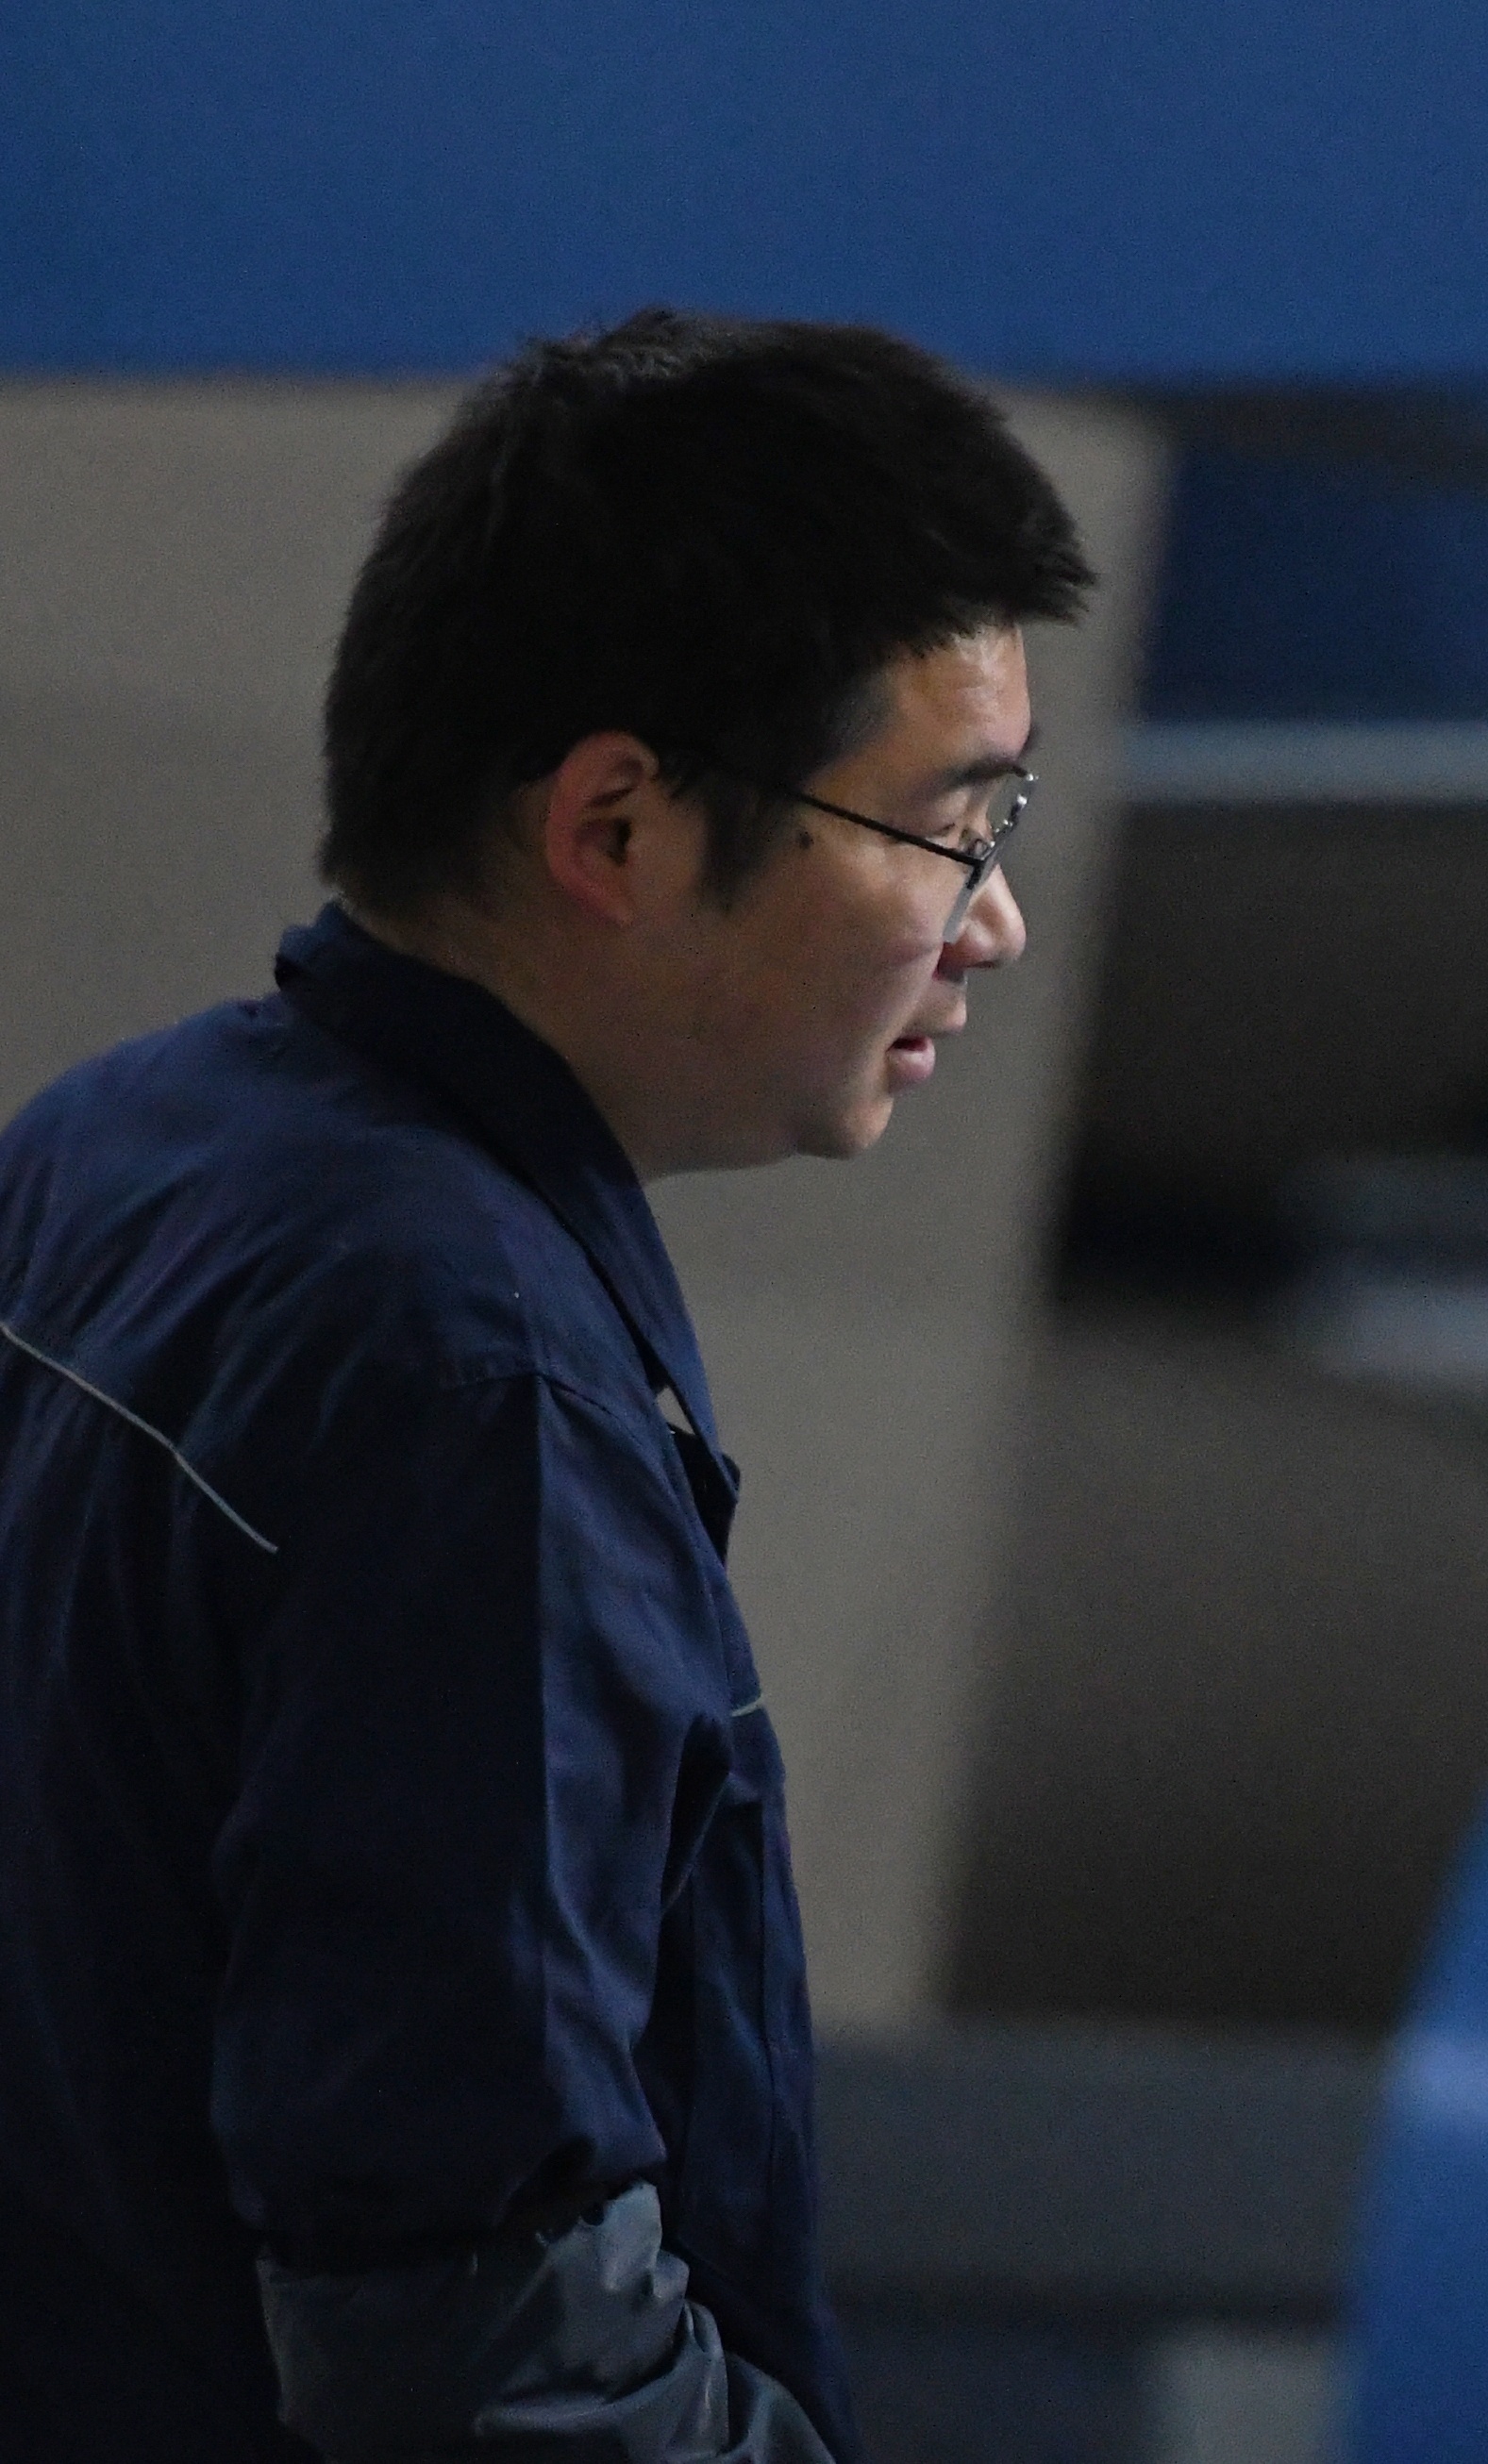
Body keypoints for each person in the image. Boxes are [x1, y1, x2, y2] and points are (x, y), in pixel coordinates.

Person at [0, 309, 1093, 2461]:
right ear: (619, 823)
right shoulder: (468, 1387)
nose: (995, 925)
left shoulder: (119, 1146)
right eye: (948, 825)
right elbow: (481, 2349)